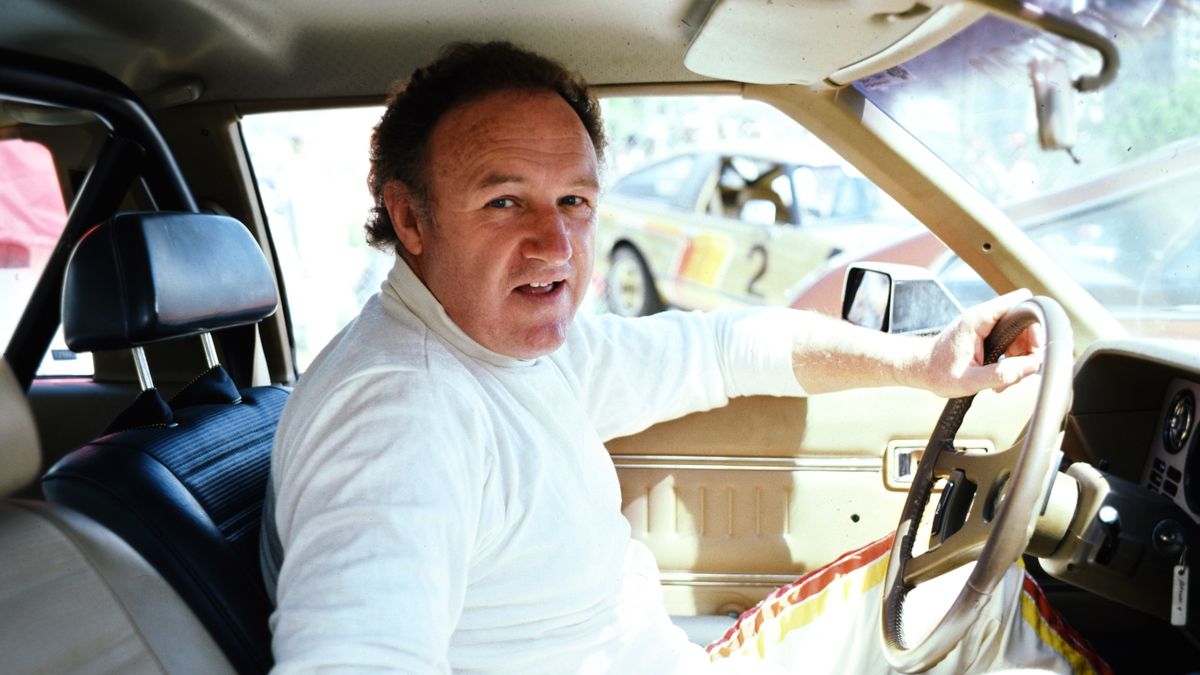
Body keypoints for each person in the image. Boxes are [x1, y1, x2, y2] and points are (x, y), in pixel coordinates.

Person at [261, 42, 1104, 673]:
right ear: (410, 219)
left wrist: (920, 363)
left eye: (574, 200)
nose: (556, 244)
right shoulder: (400, 414)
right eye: (504, 201)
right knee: (984, 609)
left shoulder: (505, 349)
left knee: (968, 593)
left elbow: (725, 349)